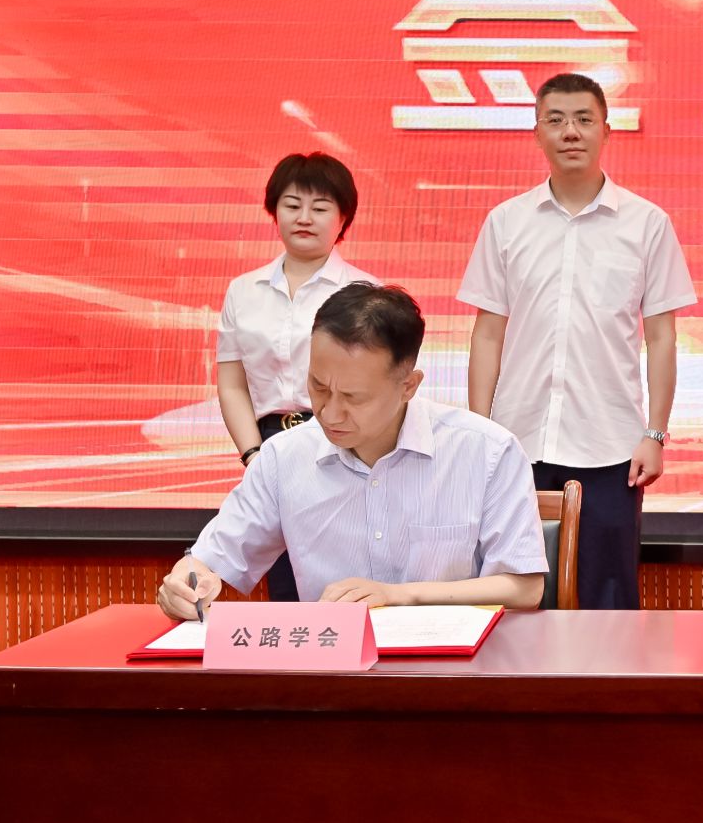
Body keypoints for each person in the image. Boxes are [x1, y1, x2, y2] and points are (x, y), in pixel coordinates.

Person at [157, 284, 545, 617]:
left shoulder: (486, 452)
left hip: (450, 668)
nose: (329, 412)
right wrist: (187, 583)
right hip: (331, 666)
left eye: (353, 397)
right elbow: (209, 560)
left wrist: (399, 595)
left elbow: (524, 587)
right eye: (318, 387)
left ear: (408, 386)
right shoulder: (284, 458)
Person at [460, 73, 696, 609]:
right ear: (537, 132)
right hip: (518, 443)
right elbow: (488, 334)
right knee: (515, 596)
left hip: (611, 447)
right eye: (557, 120)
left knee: (607, 598)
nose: (571, 131)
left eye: (584, 119)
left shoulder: (647, 224)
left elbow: (661, 338)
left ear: (606, 131)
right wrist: (480, 432)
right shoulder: (506, 222)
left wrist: (655, 434)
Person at [214, 153, 376, 600]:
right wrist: (253, 455)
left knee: (345, 574)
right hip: (269, 448)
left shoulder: (365, 293)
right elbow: (232, 384)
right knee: (287, 581)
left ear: (343, 219)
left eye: (320, 207)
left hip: (342, 443)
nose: (304, 218)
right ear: (274, 210)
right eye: (292, 205)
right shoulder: (243, 291)